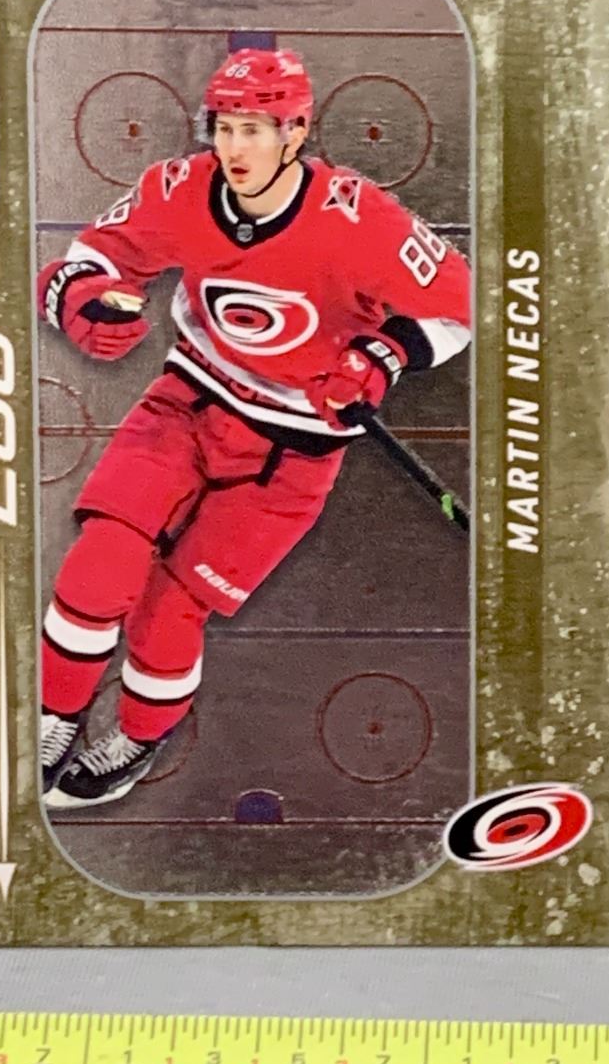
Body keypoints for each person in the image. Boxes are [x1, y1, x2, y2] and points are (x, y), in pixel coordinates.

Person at [37, 47, 470, 807]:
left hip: (293, 453)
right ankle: (55, 717)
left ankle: (137, 736)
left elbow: (461, 302)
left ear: (295, 132)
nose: (234, 148)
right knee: (100, 565)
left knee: (170, 610)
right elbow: (93, 256)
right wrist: (84, 301)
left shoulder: (359, 218)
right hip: (188, 401)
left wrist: (382, 356)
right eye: (225, 128)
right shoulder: (180, 188)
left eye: (255, 130)